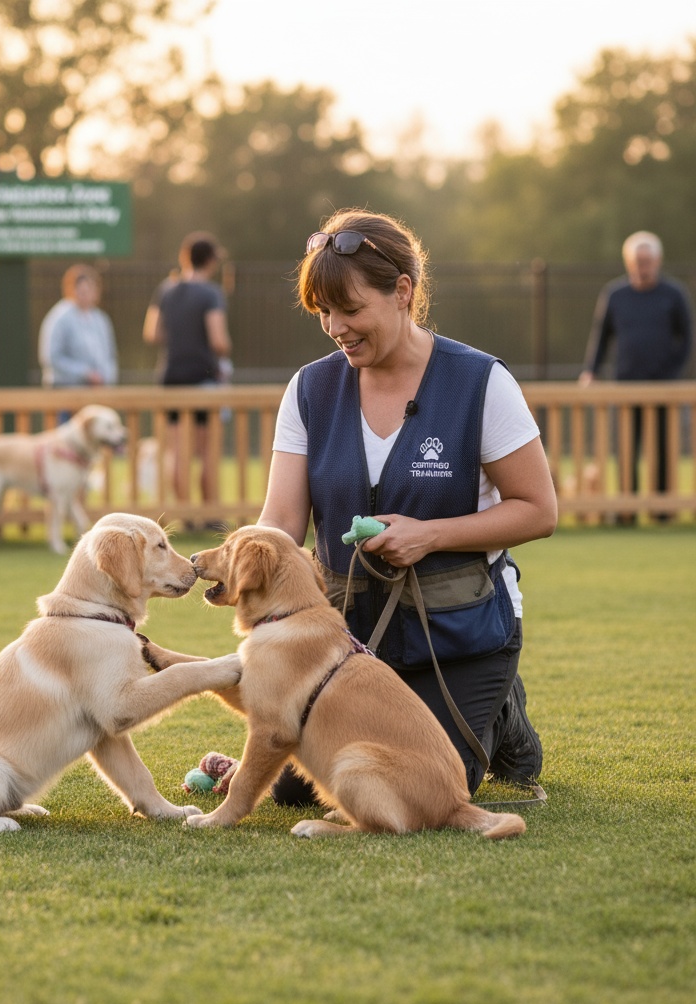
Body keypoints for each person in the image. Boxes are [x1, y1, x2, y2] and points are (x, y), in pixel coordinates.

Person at [259, 209, 557, 802]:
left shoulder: (480, 382)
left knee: (425, 784)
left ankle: (502, 717)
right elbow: (281, 523)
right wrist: (236, 560)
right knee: (298, 790)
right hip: (348, 641)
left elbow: (538, 510)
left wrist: (430, 535)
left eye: (349, 309)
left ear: (403, 292)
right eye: (322, 311)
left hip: (460, 631)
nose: (334, 327)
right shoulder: (309, 390)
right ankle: (487, 710)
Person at [579, 231, 692, 514]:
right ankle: (626, 512)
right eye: (637, 260)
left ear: (658, 261)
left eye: (647, 260)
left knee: (664, 448)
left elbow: (688, 338)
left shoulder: (674, 294)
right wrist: (591, 371)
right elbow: (601, 336)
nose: (642, 266)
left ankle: (663, 512)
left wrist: (674, 369)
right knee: (627, 448)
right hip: (626, 383)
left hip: (664, 386)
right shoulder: (615, 295)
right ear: (628, 262)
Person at [143, 233, 232, 506]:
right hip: (202, 377)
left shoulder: (167, 290)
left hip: (170, 376)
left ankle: (184, 510)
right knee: (206, 450)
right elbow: (218, 340)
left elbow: (152, 333)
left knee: (178, 450)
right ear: (211, 261)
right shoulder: (210, 293)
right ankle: (206, 513)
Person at [38, 264, 119, 396]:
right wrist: (85, 373)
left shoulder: (100, 319)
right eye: (81, 290)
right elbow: (52, 358)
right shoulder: (60, 318)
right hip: (65, 393)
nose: (85, 294)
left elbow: (110, 355)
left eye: (90, 289)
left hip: (97, 392)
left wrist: (106, 378)